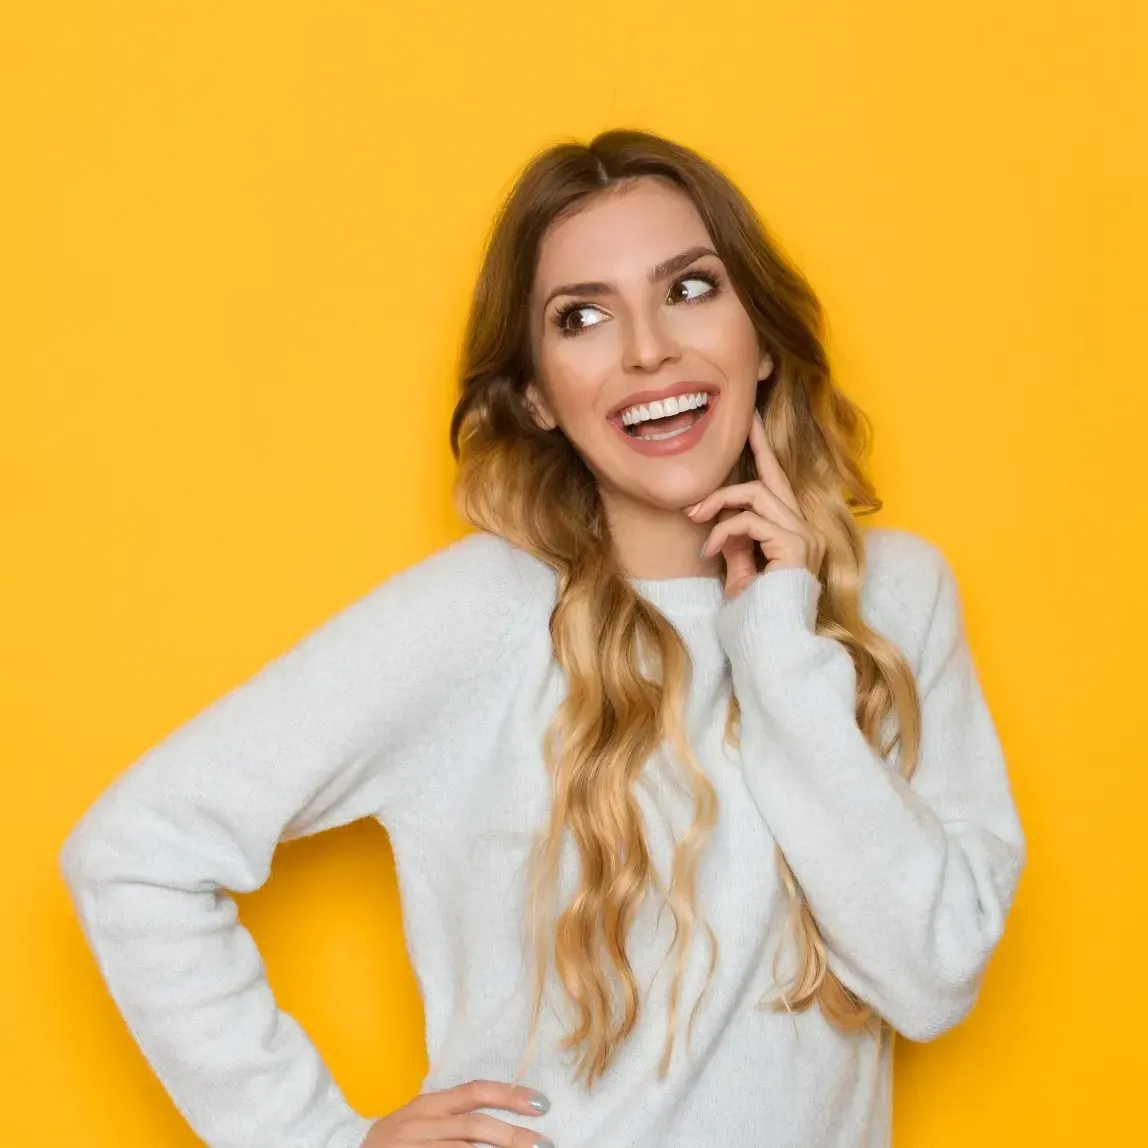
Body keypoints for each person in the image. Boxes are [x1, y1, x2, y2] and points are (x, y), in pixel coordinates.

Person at [59, 128, 1026, 1148]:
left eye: (689, 289)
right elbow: (133, 852)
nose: (647, 347)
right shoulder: (482, 612)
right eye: (582, 316)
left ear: (765, 338)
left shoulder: (893, 597)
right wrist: (315, 1136)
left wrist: (776, 641)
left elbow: (929, 978)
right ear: (534, 395)